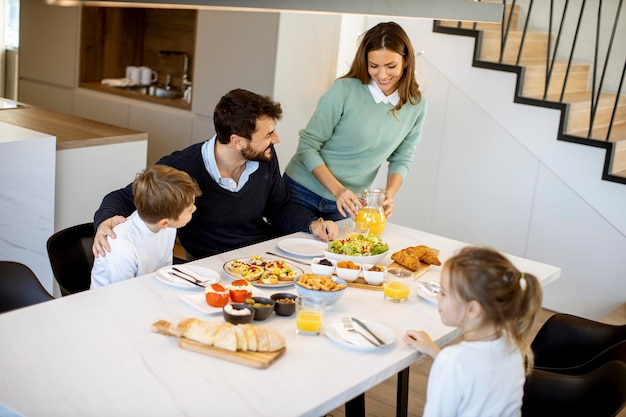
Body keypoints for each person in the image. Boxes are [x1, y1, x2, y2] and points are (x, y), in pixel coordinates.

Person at [93, 89, 337, 260]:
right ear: (237, 141)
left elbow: (280, 207)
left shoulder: (263, 157)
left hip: (264, 255)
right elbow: (124, 197)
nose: (276, 139)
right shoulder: (181, 167)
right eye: (268, 134)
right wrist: (104, 222)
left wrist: (313, 224)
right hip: (211, 264)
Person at [283, 21, 427, 221]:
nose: (382, 75)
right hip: (300, 192)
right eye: (373, 66)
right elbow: (307, 147)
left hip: (345, 204)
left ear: (406, 61)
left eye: (391, 66)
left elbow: (402, 158)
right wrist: (338, 190)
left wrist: (389, 195)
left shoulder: (416, 105)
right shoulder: (344, 90)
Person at [404, 246, 543, 417]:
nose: (438, 296)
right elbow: (474, 372)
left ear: (472, 309)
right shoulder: (512, 345)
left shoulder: (453, 362)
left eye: (444, 293)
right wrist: (434, 351)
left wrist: (445, 360)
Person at [91, 165, 201, 288]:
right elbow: (122, 295)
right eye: (190, 209)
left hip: (149, 290)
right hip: (112, 301)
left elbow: (164, 272)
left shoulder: (167, 227)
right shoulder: (122, 248)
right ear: (164, 222)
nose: (195, 208)